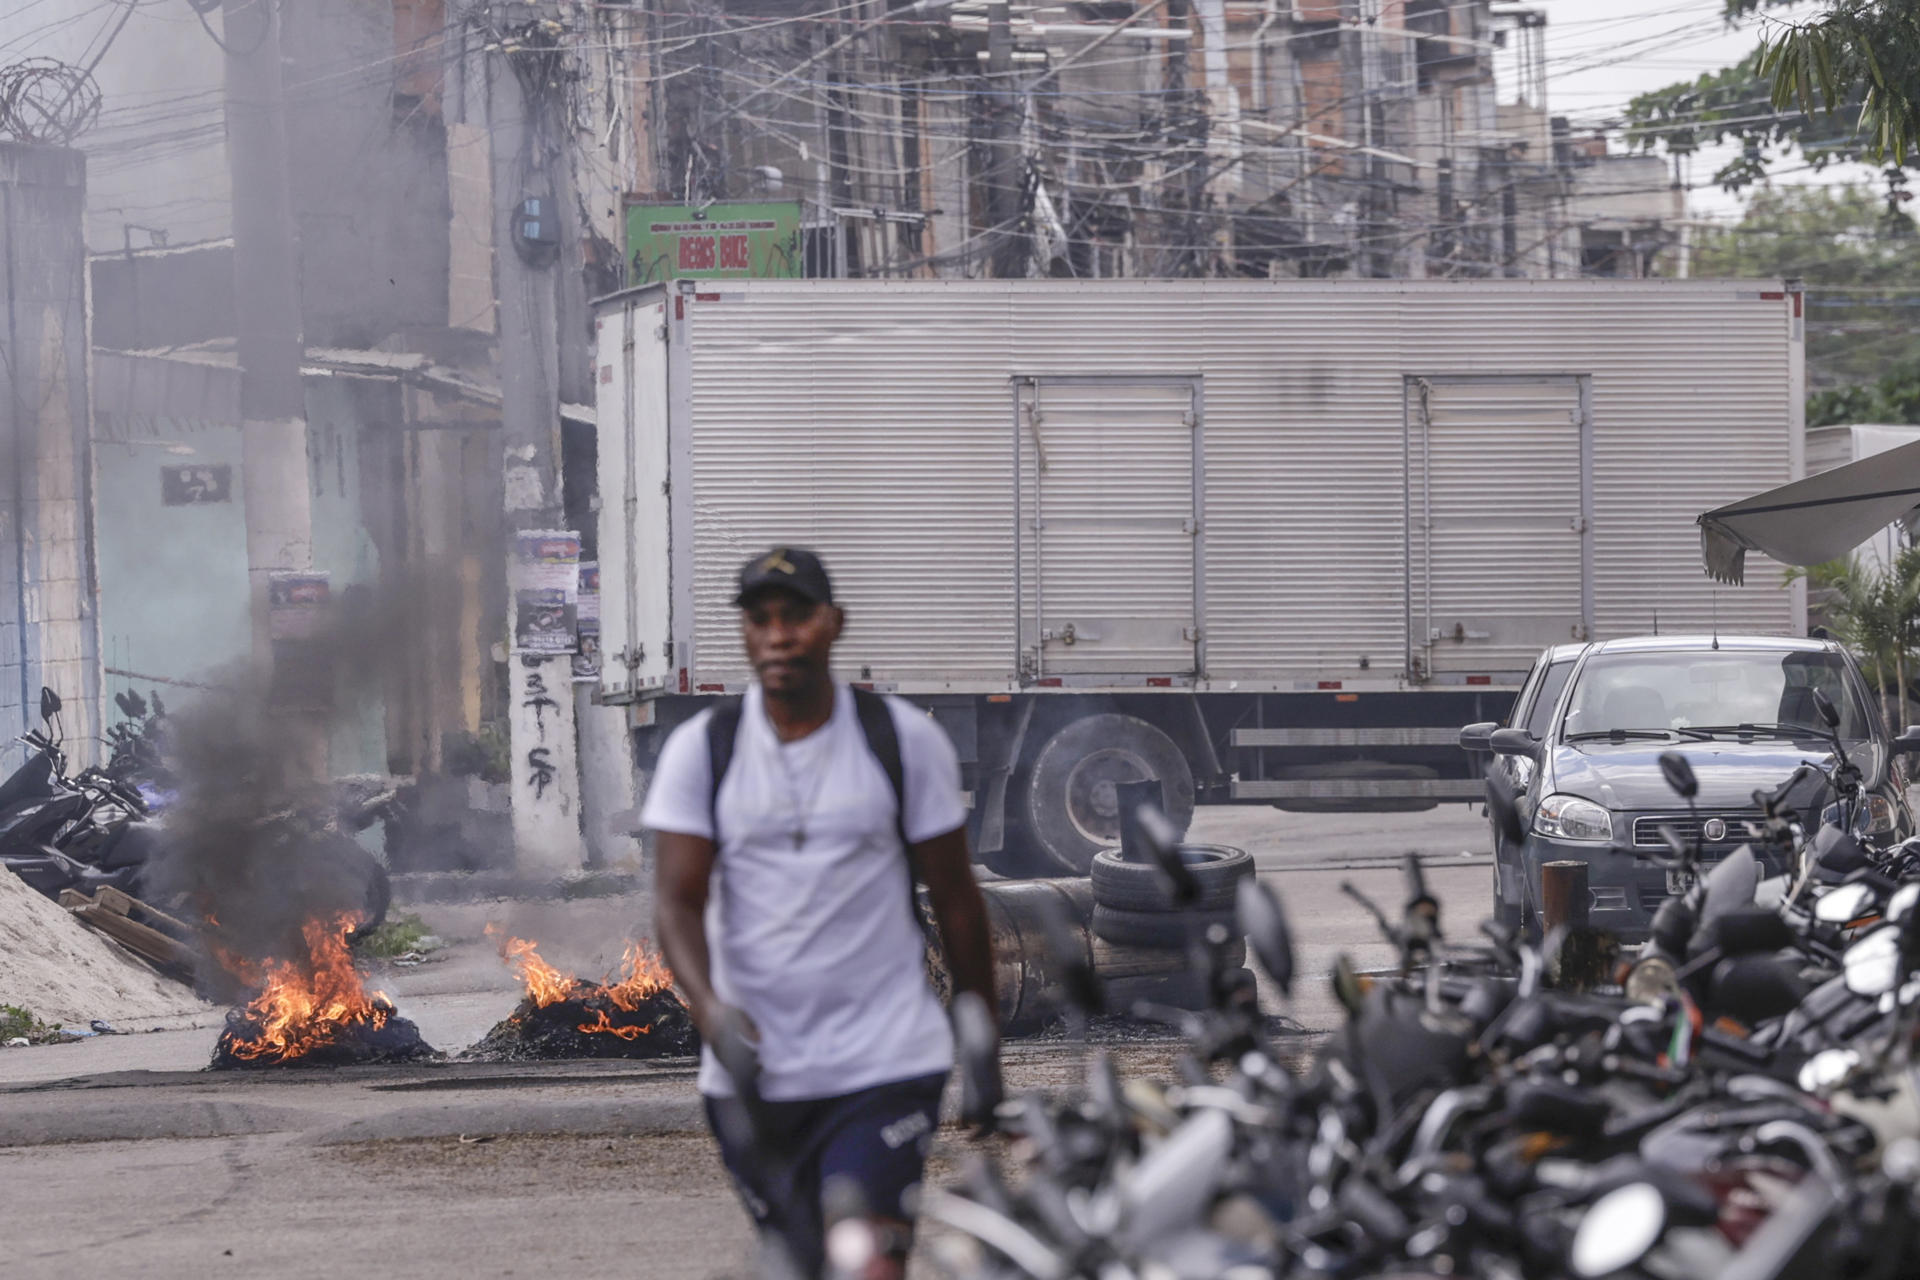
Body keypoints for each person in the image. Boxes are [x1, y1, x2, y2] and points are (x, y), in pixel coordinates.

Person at [645, 546, 1000, 1278]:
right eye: (762, 620)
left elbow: (959, 903)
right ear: (744, 634)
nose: (779, 636)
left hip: (885, 1062)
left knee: (863, 1255)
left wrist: (981, 1038)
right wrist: (710, 1011)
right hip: (753, 1079)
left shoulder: (903, 742)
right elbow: (678, 902)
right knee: (802, 1262)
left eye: (797, 616)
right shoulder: (701, 752)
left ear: (833, 624)